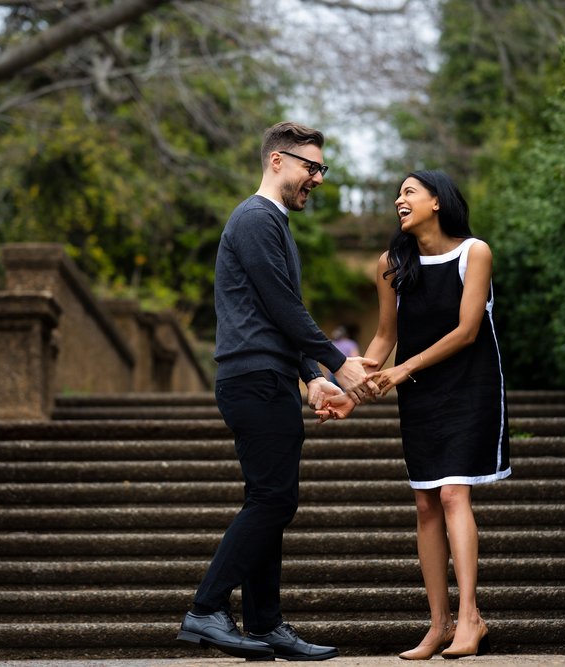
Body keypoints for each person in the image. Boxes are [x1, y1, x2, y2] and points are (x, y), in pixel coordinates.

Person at [177, 121, 375, 660]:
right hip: (254, 380)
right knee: (273, 499)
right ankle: (206, 608)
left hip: (266, 376)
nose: (317, 178)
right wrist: (338, 364)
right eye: (311, 167)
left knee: (268, 497)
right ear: (277, 161)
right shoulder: (255, 218)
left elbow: (274, 311)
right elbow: (285, 308)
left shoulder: (273, 224)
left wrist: (311, 376)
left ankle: (264, 623)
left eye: (321, 169)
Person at [316, 169, 511, 660]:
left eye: (408, 191)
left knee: (451, 493)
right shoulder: (392, 263)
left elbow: (468, 331)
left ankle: (471, 617)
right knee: (425, 504)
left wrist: (404, 370)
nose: (398, 200)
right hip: (420, 394)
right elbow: (383, 337)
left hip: (470, 388)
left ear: (437, 201)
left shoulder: (474, 253)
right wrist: (351, 392)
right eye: (397, 193)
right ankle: (439, 624)